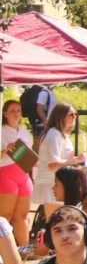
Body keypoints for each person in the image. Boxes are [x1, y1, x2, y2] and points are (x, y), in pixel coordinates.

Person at [31, 103, 86, 218]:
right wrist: (76, 160)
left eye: (76, 114)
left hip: (59, 183)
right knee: (54, 221)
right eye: (71, 114)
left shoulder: (62, 135)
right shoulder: (53, 135)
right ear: (61, 116)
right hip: (51, 184)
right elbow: (53, 164)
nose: (74, 117)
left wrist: (75, 160)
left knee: (60, 220)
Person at [0, 99, 34, 246]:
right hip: (6, 175)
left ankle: (24, 248)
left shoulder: (25, 132)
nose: (16, 113)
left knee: (22, 216)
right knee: (4, 215)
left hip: (24, 176)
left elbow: (30, 156)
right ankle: (4, 250)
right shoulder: (2, 131)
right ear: (5, 113)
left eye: (18, 110)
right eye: (12, 110)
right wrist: (5, 151)